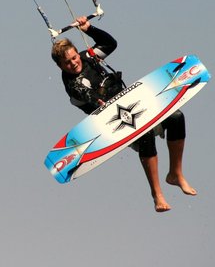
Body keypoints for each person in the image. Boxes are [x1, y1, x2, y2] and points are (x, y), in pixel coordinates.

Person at [51, 16, 196, 212]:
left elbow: (110, 44)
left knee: (177, 117)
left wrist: (89, 28)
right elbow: (90, 96)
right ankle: (157, 194)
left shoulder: (88, 57)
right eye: (66, 63)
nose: (73, 64)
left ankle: (175, 174)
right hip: (114, 121)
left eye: (74, 57)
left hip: (133, 105)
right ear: (60, 66)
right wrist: (98, 100)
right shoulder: (72, 84)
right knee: (145, 135)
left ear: (78, 53)